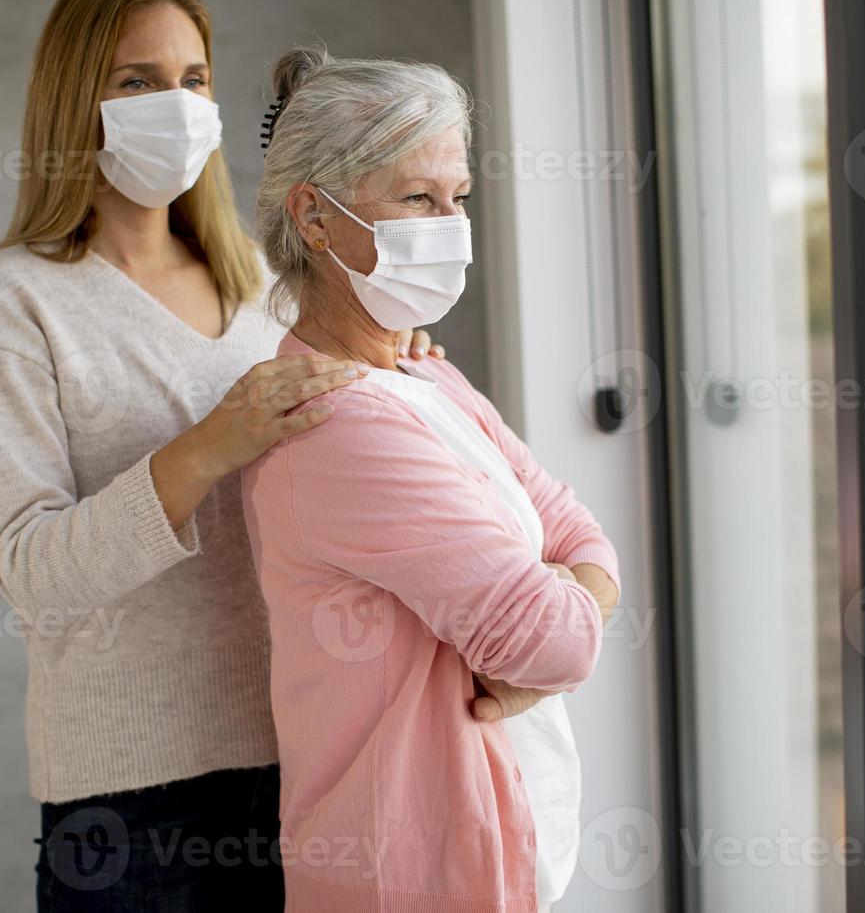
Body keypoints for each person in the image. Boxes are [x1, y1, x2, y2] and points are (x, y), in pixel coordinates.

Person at [0, 0, 442, 912]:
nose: (174, 104)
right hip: (133, 809)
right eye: (136, 81)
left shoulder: (259, 282)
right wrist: (210, 443)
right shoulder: (8, 302)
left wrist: (386, 355)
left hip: (309, 756)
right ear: (73, 100)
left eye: (193, 80)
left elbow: (328, 468)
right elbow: (33, 571)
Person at [241, 46, 622, 912]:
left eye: (458, 199)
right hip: (406, 879)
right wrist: (562, 614)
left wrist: (566, 595)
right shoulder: (339, 423)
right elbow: (554, 640)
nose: (448, 223)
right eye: (417, 198)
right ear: (314, 217)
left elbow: (584, 539)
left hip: (492, 857)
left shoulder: (426, 377)